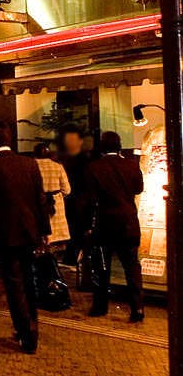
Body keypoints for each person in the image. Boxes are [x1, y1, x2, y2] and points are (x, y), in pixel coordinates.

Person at [0, 121, 50, 354]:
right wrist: (44, 231)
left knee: (13, 283)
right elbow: (40, 199)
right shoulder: (29, 163)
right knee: (28, 280)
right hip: (29, 230)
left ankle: (25, 332)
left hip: (5, 232)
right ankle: (32, 326)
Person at [84, 132, 144, 322]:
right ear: (119, 146)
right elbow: (138, 189)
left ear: (102, 147)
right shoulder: (132, 165)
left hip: (105, 224)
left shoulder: (94, 168)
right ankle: (137, 308)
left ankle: (100, 306)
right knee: (131, 266)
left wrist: (88, 226)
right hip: (128, 222)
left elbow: (90, 199)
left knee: (102, 267)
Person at [58, 125, 91, 269]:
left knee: (77, 229)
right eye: (68, 140)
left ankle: (75, 258)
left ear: (80, 141)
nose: (70, 142)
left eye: (73, 139)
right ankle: (72, 257)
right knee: (72, 229)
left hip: (79, 200)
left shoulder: (84, 160)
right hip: (70, 199)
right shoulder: (64, 160)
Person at [34, 143, 72, 245]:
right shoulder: (58, 167)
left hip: (37, 203)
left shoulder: (31, 166)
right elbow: (67, 189)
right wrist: (57, 196)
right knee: (56, 238)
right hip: (55, 204)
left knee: (39, 237)